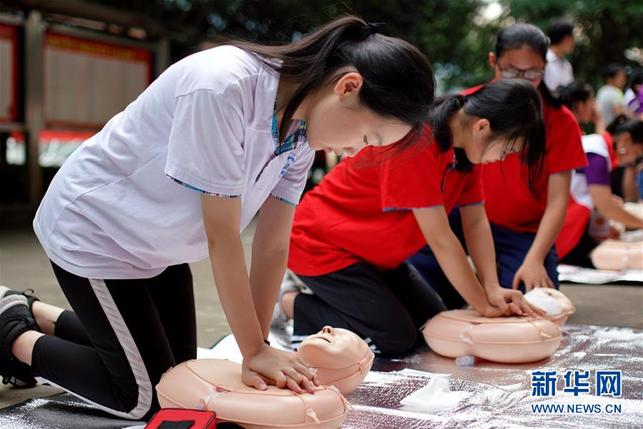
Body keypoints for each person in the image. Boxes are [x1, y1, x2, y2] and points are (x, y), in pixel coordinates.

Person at [0, 16, 435, 420]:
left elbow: (271, 244)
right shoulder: (223, 86)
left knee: (180, 374)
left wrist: (259, 347)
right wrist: (253, 349)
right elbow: (223, 237)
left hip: (159, 244)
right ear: (347, 86)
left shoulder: (302, 133)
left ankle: (35, 310)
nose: (357, 151)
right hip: (97, 230)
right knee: (147, 398)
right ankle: (10, 333)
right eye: (366, 136)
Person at [277, 80, 546, 356]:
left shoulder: (466, 152)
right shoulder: (419, 142)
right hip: (322, 246)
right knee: (394, 339)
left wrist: (492, 288)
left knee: (432, 325)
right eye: (507, 150)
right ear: (482, 127)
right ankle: (290, 303)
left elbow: (476, 222)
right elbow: (441, 240)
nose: (503, 159)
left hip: (375, 255)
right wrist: (482, 304)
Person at [410, 23, 587, 309]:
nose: (523, 80)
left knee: (536, 304)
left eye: (533, 73)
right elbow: (451, 224)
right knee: (427, 294)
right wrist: (481, 296)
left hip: (520, 230)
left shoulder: (561, 121)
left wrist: (534, 258)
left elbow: (558, 202)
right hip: (457, 218)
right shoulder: (464, 111)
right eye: (512, 71)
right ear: (494, 62)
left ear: (545, 67)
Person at [556, 86, 643, 266]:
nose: (635, 159)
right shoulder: (597, 152)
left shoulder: (597, 149)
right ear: (626, 140)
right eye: (639, 152)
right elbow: (606, 207)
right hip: (563, 225)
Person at [543, 20, 575, 94]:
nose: (573, 42)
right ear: (566, 39)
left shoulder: (567, 65)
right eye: (572, 38)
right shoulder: (544, 62)